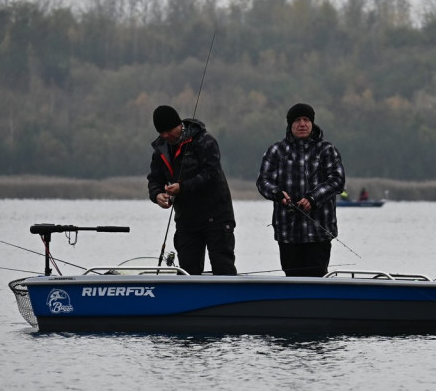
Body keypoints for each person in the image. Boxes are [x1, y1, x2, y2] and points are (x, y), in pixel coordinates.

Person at [256, 103, 346, 277]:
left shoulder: (327, 150)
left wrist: (313, 199)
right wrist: (277, 194)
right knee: (292, 282)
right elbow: (263, 181)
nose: (302, 124)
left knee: (317, 282)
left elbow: (337, 181)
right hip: (287, 232)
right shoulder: (276, 150)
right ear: (290, 125)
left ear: (312, 123)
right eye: (297, 120)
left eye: (306, 120)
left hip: (319, 232)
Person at [147, 104, 236, 275]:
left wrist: (182, 187)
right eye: (161, 132)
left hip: (216, 217)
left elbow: (212, 173)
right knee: (187, 270)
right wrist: (157, 194)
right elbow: (154, 179)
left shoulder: (205, 141)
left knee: (223, 267)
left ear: (179, 125)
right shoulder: (160, 150)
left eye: (168, 130)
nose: (165, 135)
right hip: (186, 220)